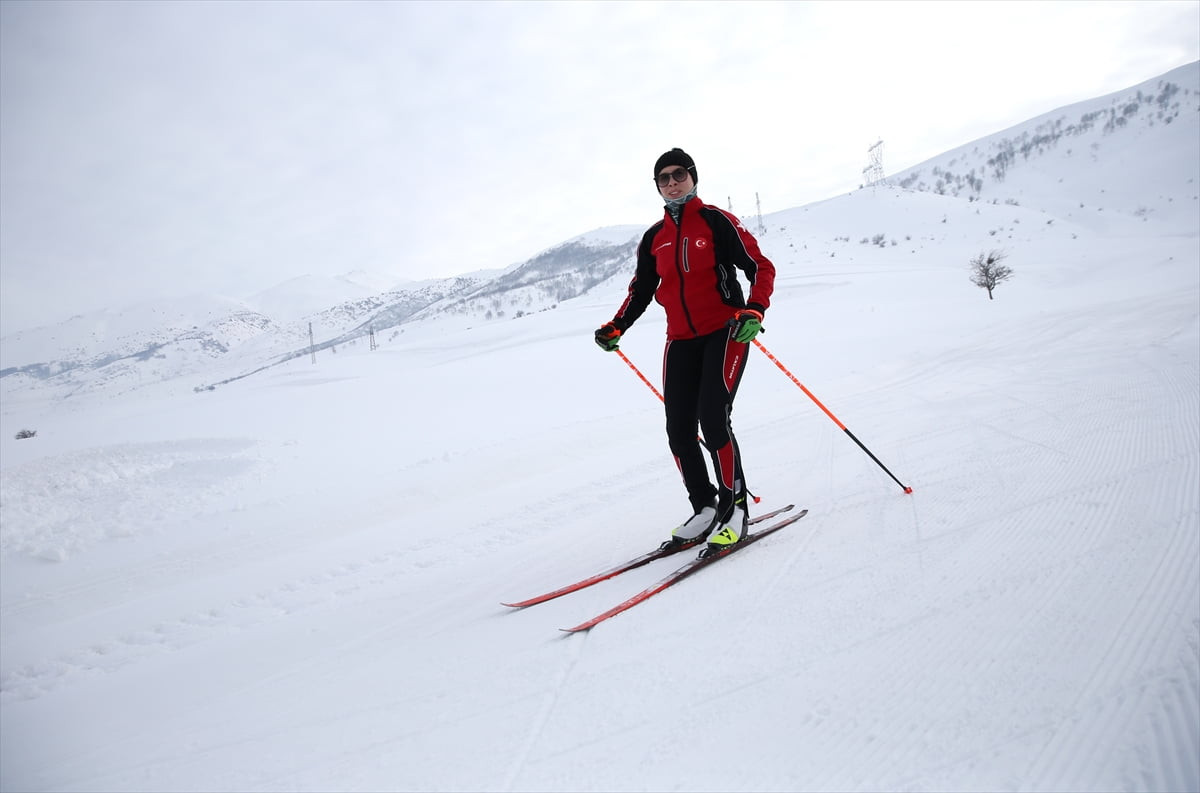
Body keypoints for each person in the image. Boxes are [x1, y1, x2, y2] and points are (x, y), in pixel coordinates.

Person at [594, 148, 776, 557]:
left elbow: (761, 267)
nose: (672, 182)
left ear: (693, 177)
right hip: (680, 340)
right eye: (664, 178)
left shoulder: (716, 221)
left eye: (679, 174)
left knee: (713, 418)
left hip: (726, 330)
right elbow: (641, 290)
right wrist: (617, 325)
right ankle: (705, 508)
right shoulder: (654, 238)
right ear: (657, 186)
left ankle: (736, 510)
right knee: (678, 429)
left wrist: (754, 308)